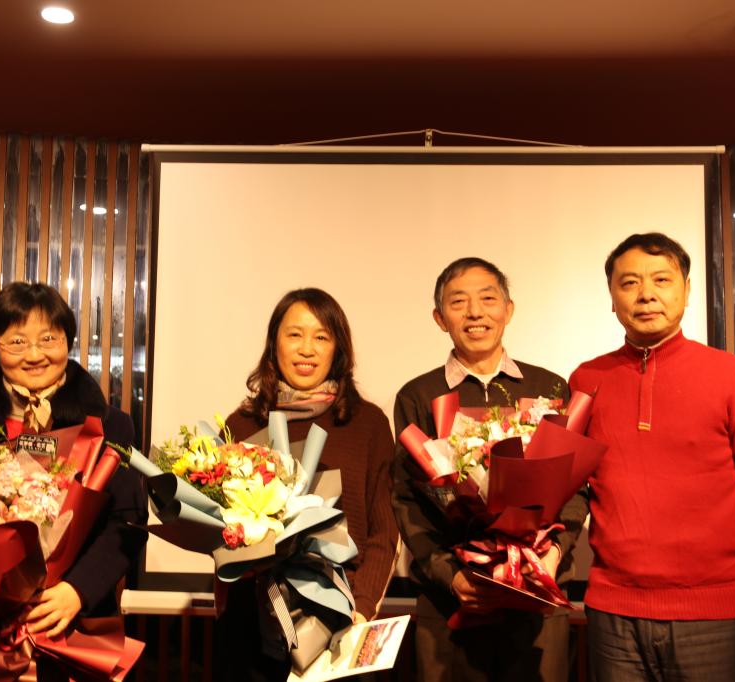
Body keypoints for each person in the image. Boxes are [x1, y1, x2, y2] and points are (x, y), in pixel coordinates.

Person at [568, 233, 735, 681]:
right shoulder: (587, 378)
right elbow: (570, 483)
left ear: (687, 290)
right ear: (611, 297)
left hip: (717, 616)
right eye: (629, 282)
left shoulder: (730, 374)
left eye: (662, 280)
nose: (646, 294)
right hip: (613, 614)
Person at [0, 282, 147, 657]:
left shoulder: (110, 426)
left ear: (68, 342)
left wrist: (78, 590)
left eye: (48, 339)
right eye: (17, 342)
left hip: (68, 625)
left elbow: (128, 522)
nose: (35, 355)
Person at [391, 257, 585, 682]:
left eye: (487, 299)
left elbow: (575, 488)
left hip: (536, 599)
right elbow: (407, 501)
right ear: (440, 318)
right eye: (458, 302)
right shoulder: (418, 396)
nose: (475, 312)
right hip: (452, 604)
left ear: (508, 310)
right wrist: (451, 576)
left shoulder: (549, 388)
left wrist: (551, 556)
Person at [216, 287, 399, 681]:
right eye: (294, 335)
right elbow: (218, 528)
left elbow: (384, 530)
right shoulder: (242, 424)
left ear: (338, 349)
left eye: (321, 337)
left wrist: (361, 609)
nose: (306, 349)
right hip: (253, 621)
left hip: (341, 617)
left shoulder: (368, 425)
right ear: (274, 344)